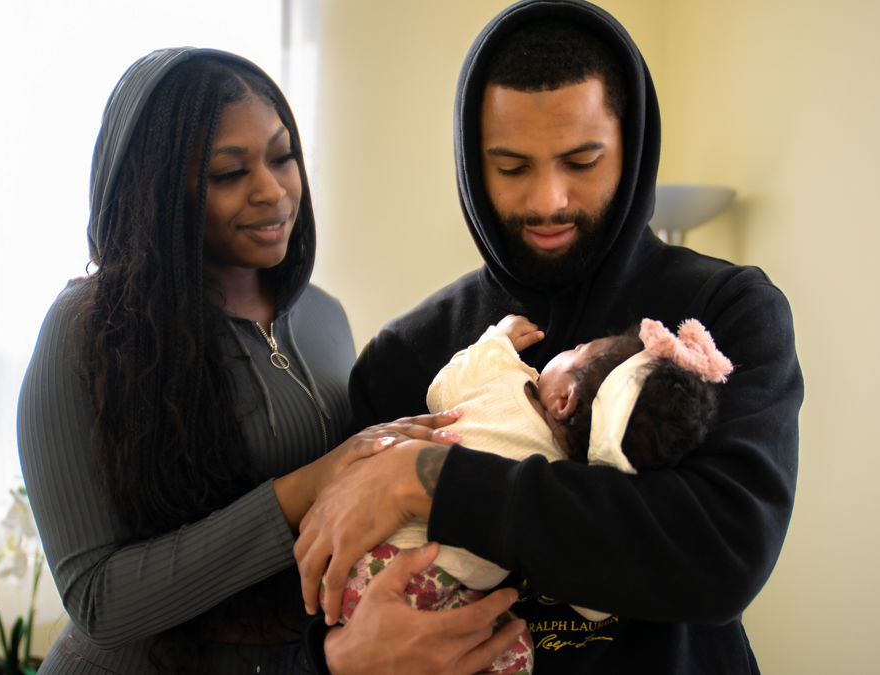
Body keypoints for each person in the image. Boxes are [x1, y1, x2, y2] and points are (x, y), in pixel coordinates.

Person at [294, 1, 804, 673]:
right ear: (474, 165)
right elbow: (325, 571)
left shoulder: (721, 312)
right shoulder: (408, 351)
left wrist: (434, 480)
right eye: (512, 168)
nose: (549, 199)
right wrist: (337, 656)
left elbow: (720, 549)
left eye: (582, 160)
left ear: (633, 147)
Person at [15, 48, 486, 674]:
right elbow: (99, 603)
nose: (273, 190)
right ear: (159, 191)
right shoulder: (88, 331)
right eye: (229, 172)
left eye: (283, 156)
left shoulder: (324, 316)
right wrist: (306, 487)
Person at [330, 314, 733, 674]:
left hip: (370, 570)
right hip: (419, 582)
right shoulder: (568, 486)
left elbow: (444, 388)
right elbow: (595, 602)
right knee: (512, 651)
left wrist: (497, 340)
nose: (566, 349)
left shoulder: (506, 386)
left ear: (563, 401)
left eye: (576, 350)